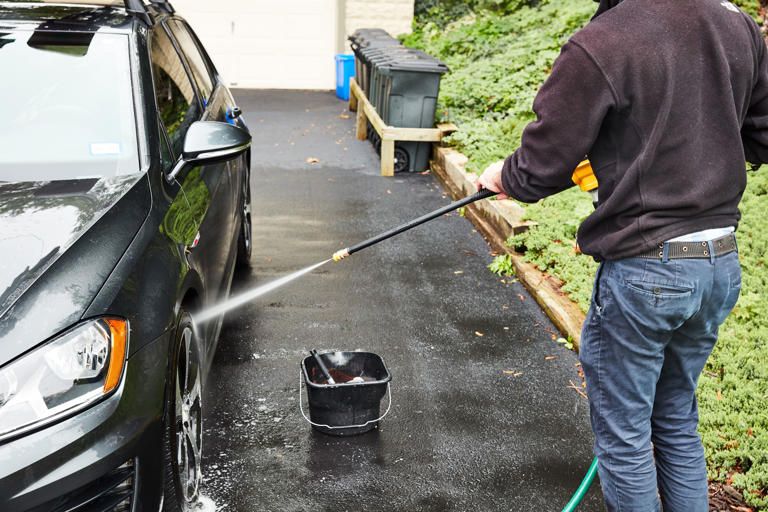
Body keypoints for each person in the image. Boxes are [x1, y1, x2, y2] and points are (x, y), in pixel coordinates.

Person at [477, 0, 768, 509]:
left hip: (649, 269)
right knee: (675, 415)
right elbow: (760, 138)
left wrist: (502, 176)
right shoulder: (736, 26)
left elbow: (541, 166)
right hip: (719, 261)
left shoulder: (603, 41)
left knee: (625, 436)